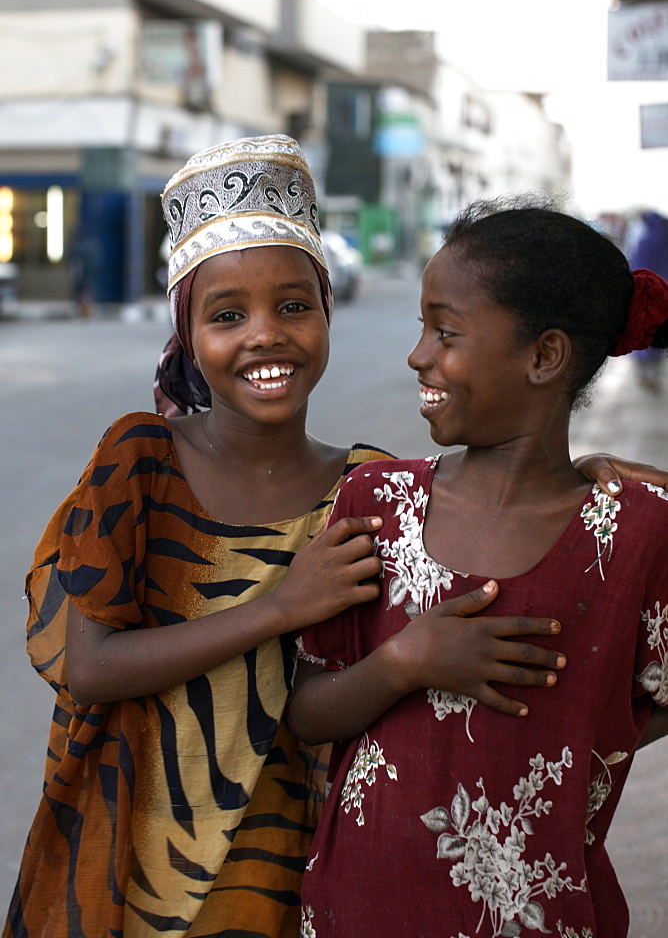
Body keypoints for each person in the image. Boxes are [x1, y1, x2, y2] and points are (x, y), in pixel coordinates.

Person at [3, 139, 663, 938]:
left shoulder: (369, 487)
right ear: (186, 331)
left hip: (289, 865)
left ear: (325, 311)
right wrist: (282, 608)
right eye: (225, 315)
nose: (265, 336)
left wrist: (575, 472)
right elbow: (90, 665)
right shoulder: (144, 465)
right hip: (130, 864)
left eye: (294, 306)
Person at [288, 199, 668, 938]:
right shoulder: (376, 502)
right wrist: (404, 662)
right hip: (355, 911)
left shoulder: (636, 535)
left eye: (446, 331)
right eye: (422, 327)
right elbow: (306, 710)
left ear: (543, 356)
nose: (417, 354)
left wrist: (589, 728)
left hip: (545, 918)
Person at [626, 209, 668, 393]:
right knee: (659, 336)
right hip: (664, 296)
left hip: (645, 296)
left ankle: (645, 375)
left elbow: (635, 269)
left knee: (642, 334)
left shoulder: (644, 242)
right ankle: (653, 376)